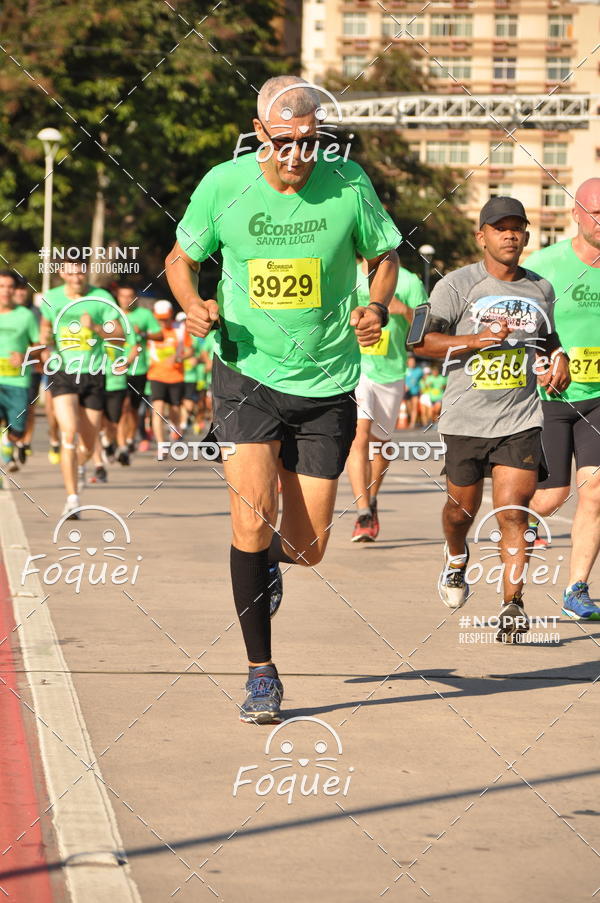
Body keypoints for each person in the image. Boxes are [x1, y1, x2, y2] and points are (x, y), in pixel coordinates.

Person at [165, 75, 400, 723]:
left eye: (311, 141)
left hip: (326, 383)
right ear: (259, 131)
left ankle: (272, 559)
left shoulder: (349, 184)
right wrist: (193, 306)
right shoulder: (223, 184)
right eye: (287, 142)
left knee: (306, 547)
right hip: (247, 374)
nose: (300, 156)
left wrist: (376, 303)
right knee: (248, 517)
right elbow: (180, 260)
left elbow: (385, 255)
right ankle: (261, 672)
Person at [415, 196, 570, 642]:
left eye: (517, 227)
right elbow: (420, 343)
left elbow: (550, 342)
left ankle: (512, 604)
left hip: (520, 419)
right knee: (461, 510)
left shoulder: (541, 288)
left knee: (513, 514)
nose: (510, 235)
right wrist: (477, 340)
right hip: (465, 419)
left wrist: (559, 362)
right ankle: (455, 556)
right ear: (481, 236)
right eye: (499, 228)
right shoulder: (456, 285)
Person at [526, 178, 600, 619]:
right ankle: (512, 559)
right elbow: (519, 323)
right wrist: (546, 357)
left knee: (596, 494)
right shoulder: (544, 267)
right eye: (596, 213)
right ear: (575, 213)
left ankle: (576, 588)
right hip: (547, 399)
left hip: (599, 398)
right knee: (552, 496)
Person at [347, 255, 426, 541]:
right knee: (359, 436)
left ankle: (371, 498)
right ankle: (363, 513)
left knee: (381, 446)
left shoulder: (408, 280)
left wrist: (404, 310)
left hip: (392, 371)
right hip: (357, 368)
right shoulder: (348, 275)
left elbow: (424, 326)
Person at [39, 262, 124, 518]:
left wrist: (97, 328)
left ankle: (79, 466)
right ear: (62, 274)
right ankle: (72, 499)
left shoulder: (102, 298)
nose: (77, 277)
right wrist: (44, 344)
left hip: (93, 373)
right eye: (71, 272)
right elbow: (45, 328)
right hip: (63, 371)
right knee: (69, 433)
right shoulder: (52, 298)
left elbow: (118, 334)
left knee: (87, 446)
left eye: (80, 271)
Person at [114, 284, 163, 464]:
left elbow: (159, 335)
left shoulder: (144, 315)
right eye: (123, 296)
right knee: (122, 407)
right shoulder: (112, 315)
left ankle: (129, 438)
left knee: (133, 409)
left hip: (138, 368)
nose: (126, 300)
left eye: (130, 296)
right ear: (118, 298)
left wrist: (141, 333)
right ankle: (121, 445)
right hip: (116, 367)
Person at [0, 270, 39, 480]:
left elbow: (39, 347)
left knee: (18, 430)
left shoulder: (25, 316)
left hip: (18, 380)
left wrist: (25, 355)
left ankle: (10, 441)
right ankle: (4, 451)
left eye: (9, 287)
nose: (5, 291)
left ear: (15, 290)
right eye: (1, 286)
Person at [147, 300, 191, 448]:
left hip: (176, 376)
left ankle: (175, 427)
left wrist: (178, 357)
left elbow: (190, 351)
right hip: (156, 375)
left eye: (165, 318)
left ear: (171, 314)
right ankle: (161, 444)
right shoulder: (151, 331)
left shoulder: (180, 329)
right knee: (157, 409)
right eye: (159, 318)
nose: (162, 321)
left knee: (175, 409)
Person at [404, 355, 423, 428]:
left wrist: (409, 386)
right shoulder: (405, 370)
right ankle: (412, 419)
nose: (412, 363)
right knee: (409, 408)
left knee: (414, 407)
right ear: (408, 362)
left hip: (415, 391)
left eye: (413, 361)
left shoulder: (418, 371)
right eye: (410, 361)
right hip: (406, 392)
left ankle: (412, 423)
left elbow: (414, 380)